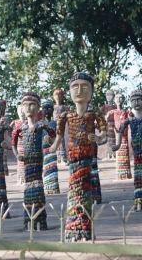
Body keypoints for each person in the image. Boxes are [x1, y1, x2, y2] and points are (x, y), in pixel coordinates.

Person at [50, 73, 106, 242]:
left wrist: (98, 138)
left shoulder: (93, 115)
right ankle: (73, 227)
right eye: (75, 87)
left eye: (85, 87)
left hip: (87, 157)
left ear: (91, 92)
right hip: (73, 158)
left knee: (85, 191)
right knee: (74, 191)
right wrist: (53, 146)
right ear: (69, 91)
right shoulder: (66, 116)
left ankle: (85, 227)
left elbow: (103, 131)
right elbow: (59, 136)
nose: (80, 90)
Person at [12, 92, 55, 230]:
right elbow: (13, 141)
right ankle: (29, 220)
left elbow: (54, 137)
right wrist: (17, 154)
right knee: (28, 188)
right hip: (27, 162)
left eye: (32, 105)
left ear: (38, 108)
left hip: (37, 161)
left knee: (37, 187)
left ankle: (40, 221)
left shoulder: (41, 126)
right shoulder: (21, 127)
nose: (28, 108)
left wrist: (50, 142)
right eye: (26, 105)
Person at [112, 89, 142, 210]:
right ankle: (138, 199)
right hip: (137, 152)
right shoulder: (130, 120)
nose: (136, 103)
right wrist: (118, 144)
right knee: (138, 174)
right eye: (133, 100)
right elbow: (120, 130)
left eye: (139, 99)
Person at [106, 93, 132, 180]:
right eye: (117, 98)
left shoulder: (127, 111)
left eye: (121, 98)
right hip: (116, 133)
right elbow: (105, 119)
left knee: (125, 153)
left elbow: (133, 118)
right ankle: (120, 175)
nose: (118, 100)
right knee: (118, 152)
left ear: (124, 100)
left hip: (124, 135)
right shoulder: (112, 112)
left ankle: (126, 174)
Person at [40, 99, 60, 194]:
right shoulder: (39, 124)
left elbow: (58, 137)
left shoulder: (55, 123)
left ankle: (53, 187)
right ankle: (46, 186)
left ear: (52, 110)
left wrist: (52, 141)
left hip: (52, 148)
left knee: (52, 167)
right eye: (44, 108)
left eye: (49, 108)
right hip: (42, 149)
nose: (47, 111)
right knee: (44, 167)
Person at [10, 105, 26, 184]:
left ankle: (26, 179)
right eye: (20, 110)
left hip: (27, 144)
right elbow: (11, 132)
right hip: (19, 144)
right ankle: (20, 179)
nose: (22, 112)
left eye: (23, 110)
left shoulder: (28, 122)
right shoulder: (15, 122)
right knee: (20, 162)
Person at [52, 89, 69, 165]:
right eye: (56, 95)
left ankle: (63, 158)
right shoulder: (52, 107)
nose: (58, 96)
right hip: (55, 126)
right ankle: (58, 159)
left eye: (60, 95)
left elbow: (69, 115)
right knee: (56, 142)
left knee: (62, 141)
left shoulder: (64, 107)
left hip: (63, 126)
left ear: (63, 96)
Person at [99, 90, 117, 160]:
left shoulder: (115, 106)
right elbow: (100, 116)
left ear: (113, 96)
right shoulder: (103, 107)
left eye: (110, 95)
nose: (109, 97)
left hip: (115, 125)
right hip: (107, 124)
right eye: (107, 95)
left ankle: (114, 154)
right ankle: (108, 155)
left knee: (114, 139)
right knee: (108, 140)